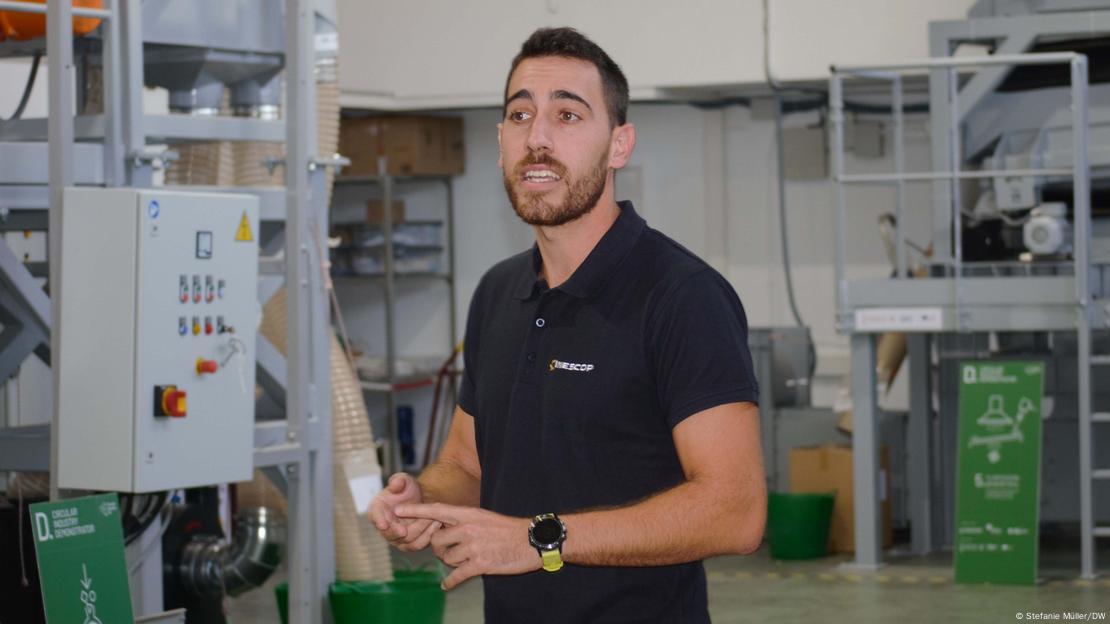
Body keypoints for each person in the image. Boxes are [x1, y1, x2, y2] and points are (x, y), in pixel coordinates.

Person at [369, 26, 766, 623]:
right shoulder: (497, 293)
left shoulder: (682, 295)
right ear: (501, 141)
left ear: (619, 143)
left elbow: (735, 512)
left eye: (569, 115)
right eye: (520, 115)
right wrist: (426, 501)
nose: (539, 138)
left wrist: (538, 540)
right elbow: (467, 464)